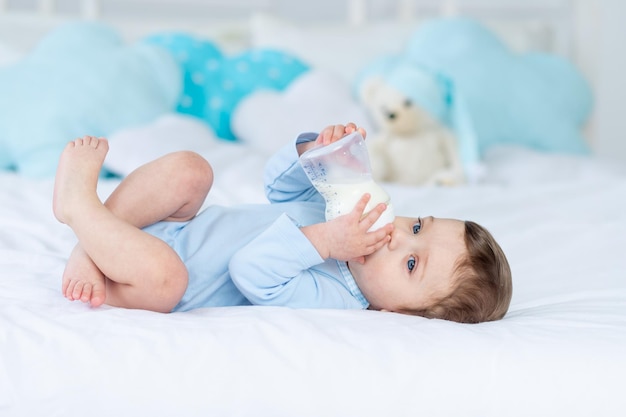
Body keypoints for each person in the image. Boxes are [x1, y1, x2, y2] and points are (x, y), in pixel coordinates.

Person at [53, 122, 512, 323]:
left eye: (411, 265)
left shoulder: (339, 296)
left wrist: (327, 243)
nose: (396, 239)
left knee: (167, 278)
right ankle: (91, 237)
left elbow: (251, 273)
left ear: (395, 313)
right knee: (192, 170)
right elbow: (279, 190)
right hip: (164, 228)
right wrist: (313, 156)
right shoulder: (342, 216)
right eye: (417, 227)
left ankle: (82, 211)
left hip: (154, 278)